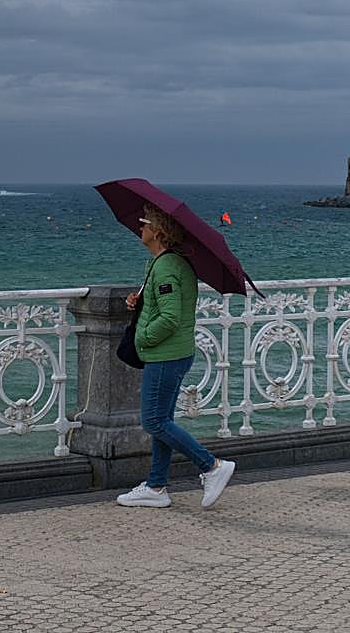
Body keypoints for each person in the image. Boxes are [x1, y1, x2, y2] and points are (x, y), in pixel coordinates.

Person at [116, 204, 236, 509]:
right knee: (162, 420)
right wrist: (138, 304)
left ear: (157, 231)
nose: (138, 228)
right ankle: (156, 487)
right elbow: (164, 306)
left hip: (165, 355)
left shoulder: (168, 266)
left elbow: (170, 318)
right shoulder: (165, 263)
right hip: (174, 354)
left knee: (154, 421)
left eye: (143, 223)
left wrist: (143, 337)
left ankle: (211, 466)